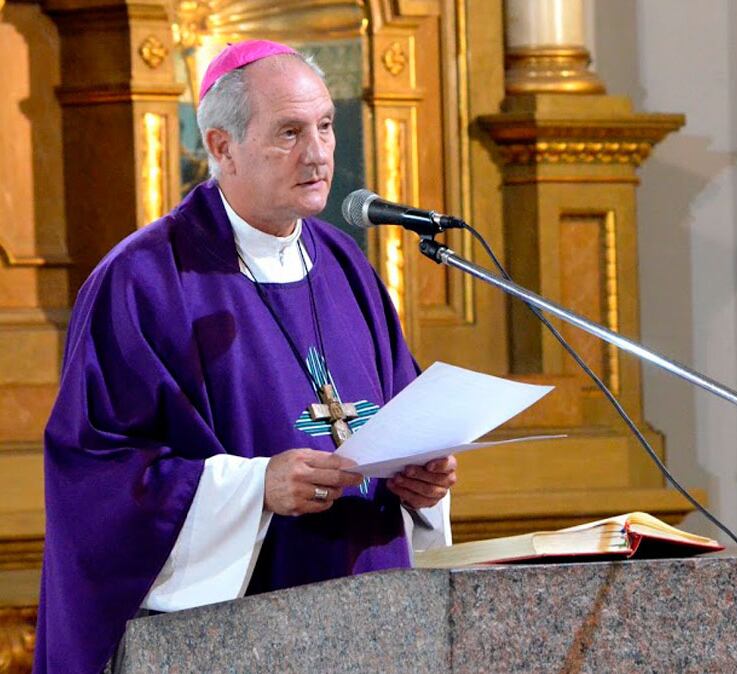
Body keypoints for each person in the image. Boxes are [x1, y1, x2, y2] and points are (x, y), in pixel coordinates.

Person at [33, 40, 457, 674]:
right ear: (222, 146)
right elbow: (97, 480)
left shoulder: (346, 266)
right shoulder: (143, 282)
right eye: (289, 132)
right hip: (234, 638)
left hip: (376, 616)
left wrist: (422, 482)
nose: (318, 153)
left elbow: (404, 417)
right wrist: (257, 489)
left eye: (325, 125)